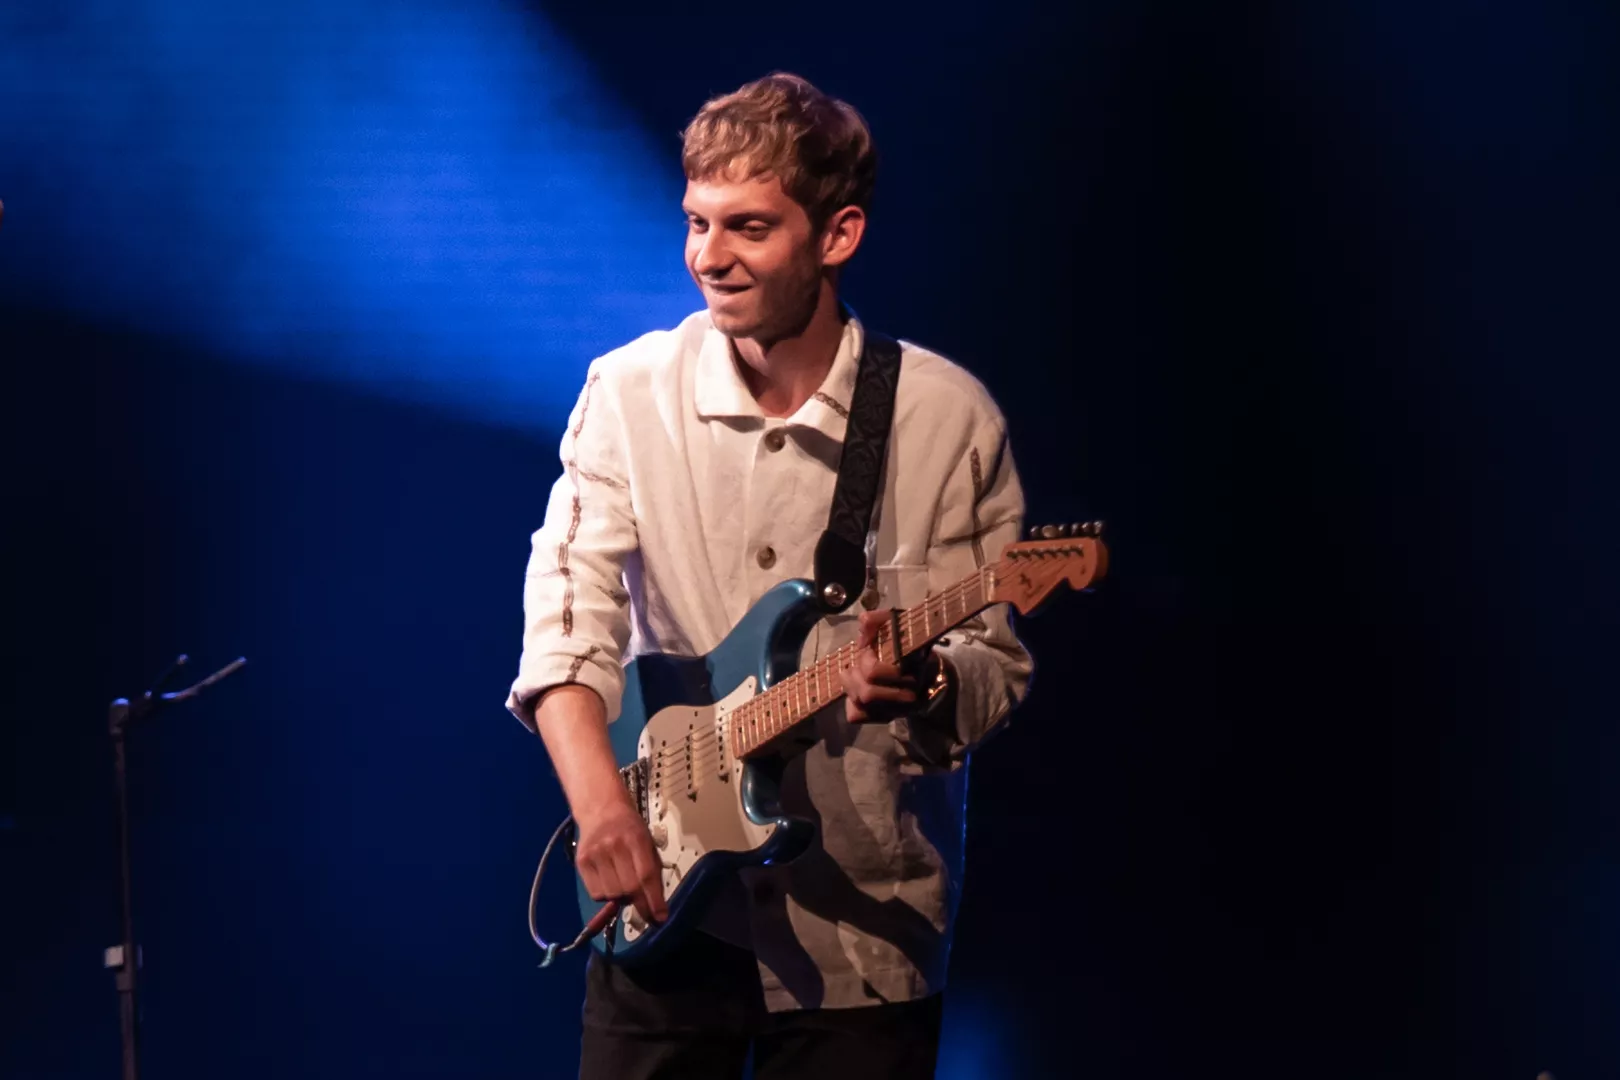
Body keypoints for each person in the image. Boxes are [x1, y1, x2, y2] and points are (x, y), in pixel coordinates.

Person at [506, 72, 1033, 1080]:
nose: (710, 256)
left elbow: (993, 667)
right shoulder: (625, 392)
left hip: (861, 940)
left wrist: (925, 683)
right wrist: (603, 811)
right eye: (697, 222)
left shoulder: (946, 418)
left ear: (838, 235)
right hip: (659, 906)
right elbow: (565, 614)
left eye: (748, 226)